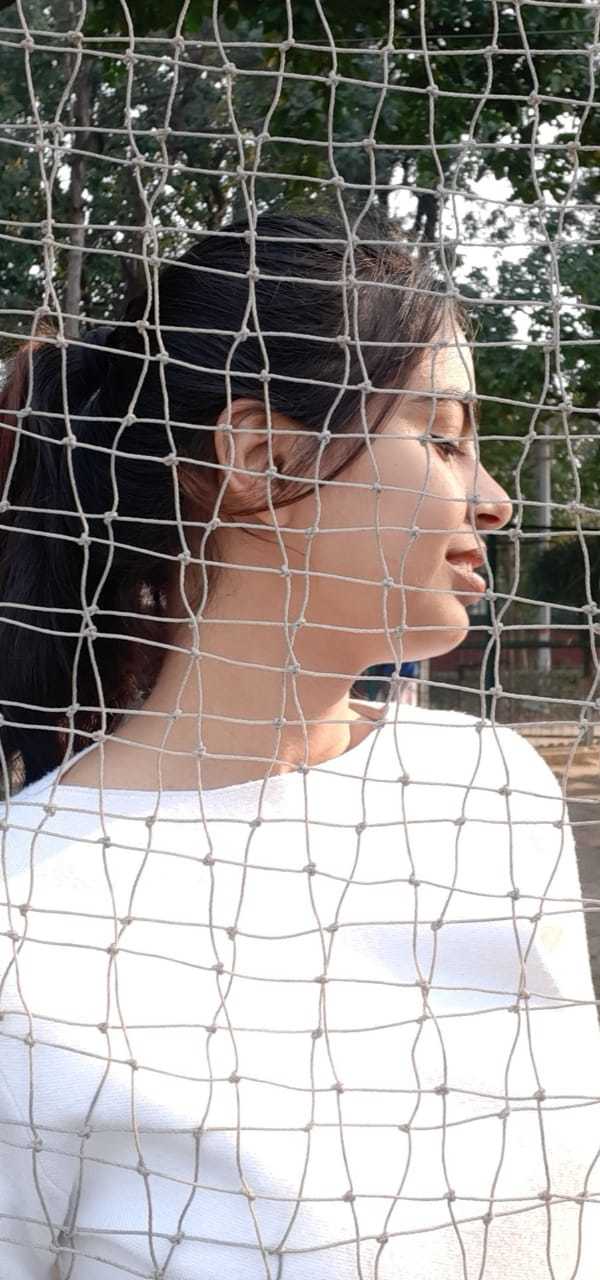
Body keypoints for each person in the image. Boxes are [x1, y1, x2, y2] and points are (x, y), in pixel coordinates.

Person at [0, 212, 598, 1279]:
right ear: (262, 457)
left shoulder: (489, 786)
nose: (494, 501)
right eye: (445, 438)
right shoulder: (28, 909)